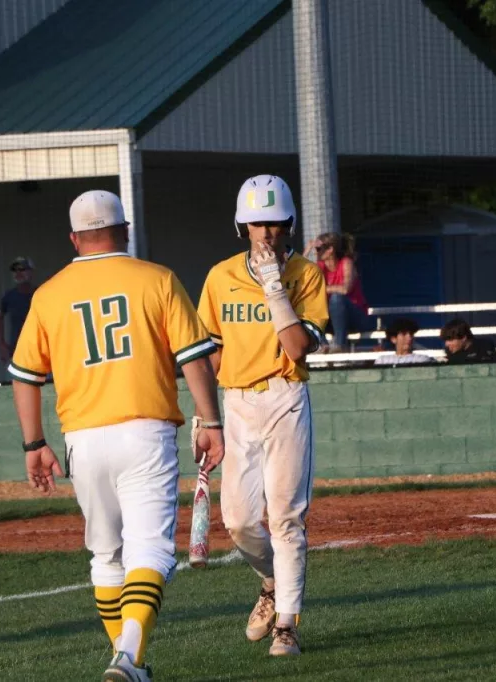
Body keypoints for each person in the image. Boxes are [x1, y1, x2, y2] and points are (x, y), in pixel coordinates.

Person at [9, 190, 224, 682]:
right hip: (145, 432)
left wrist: (34, 444)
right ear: (125, 230)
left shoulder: (48, 294)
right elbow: (194, 357)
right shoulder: (157, 278)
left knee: (107, 557)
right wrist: (211, 421)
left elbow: (25, 375)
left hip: (82, 439)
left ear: (73, 238)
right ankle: (127, 656)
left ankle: (131, 662)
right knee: (150, 550)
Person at [198, 174, 328, 658]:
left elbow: (297, 348)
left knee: (286, 517)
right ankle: (271, 583)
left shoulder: (306, 275)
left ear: (289, 224)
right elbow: (210, 352)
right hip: (236, 402)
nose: (266, 233)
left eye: (274, 223)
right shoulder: (220, 276)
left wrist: (275, 286)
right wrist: (205, 415)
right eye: (257, 223)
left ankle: (287, 625)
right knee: (237, 521)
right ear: (242, 226)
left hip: (285, 396)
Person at [305, 232, 370, 352]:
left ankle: (340, 345)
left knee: (336, 298)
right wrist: (307, 251)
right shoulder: (320, 267)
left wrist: (321, 289)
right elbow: (302, 279)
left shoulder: (346, 263)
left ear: (330, 249)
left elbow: (345, 289)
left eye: (318, 249)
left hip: (355, 316)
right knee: (309, 303)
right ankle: (323, 345)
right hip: (332, 319)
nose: (316, 253)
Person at [0, 257, 36, 366]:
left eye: (22, 269)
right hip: (17, 350)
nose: (18, 273)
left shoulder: (40, 294)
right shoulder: (9, 296)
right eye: (15, 270)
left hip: (39, 349)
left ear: (31, 272)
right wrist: (1, 344)